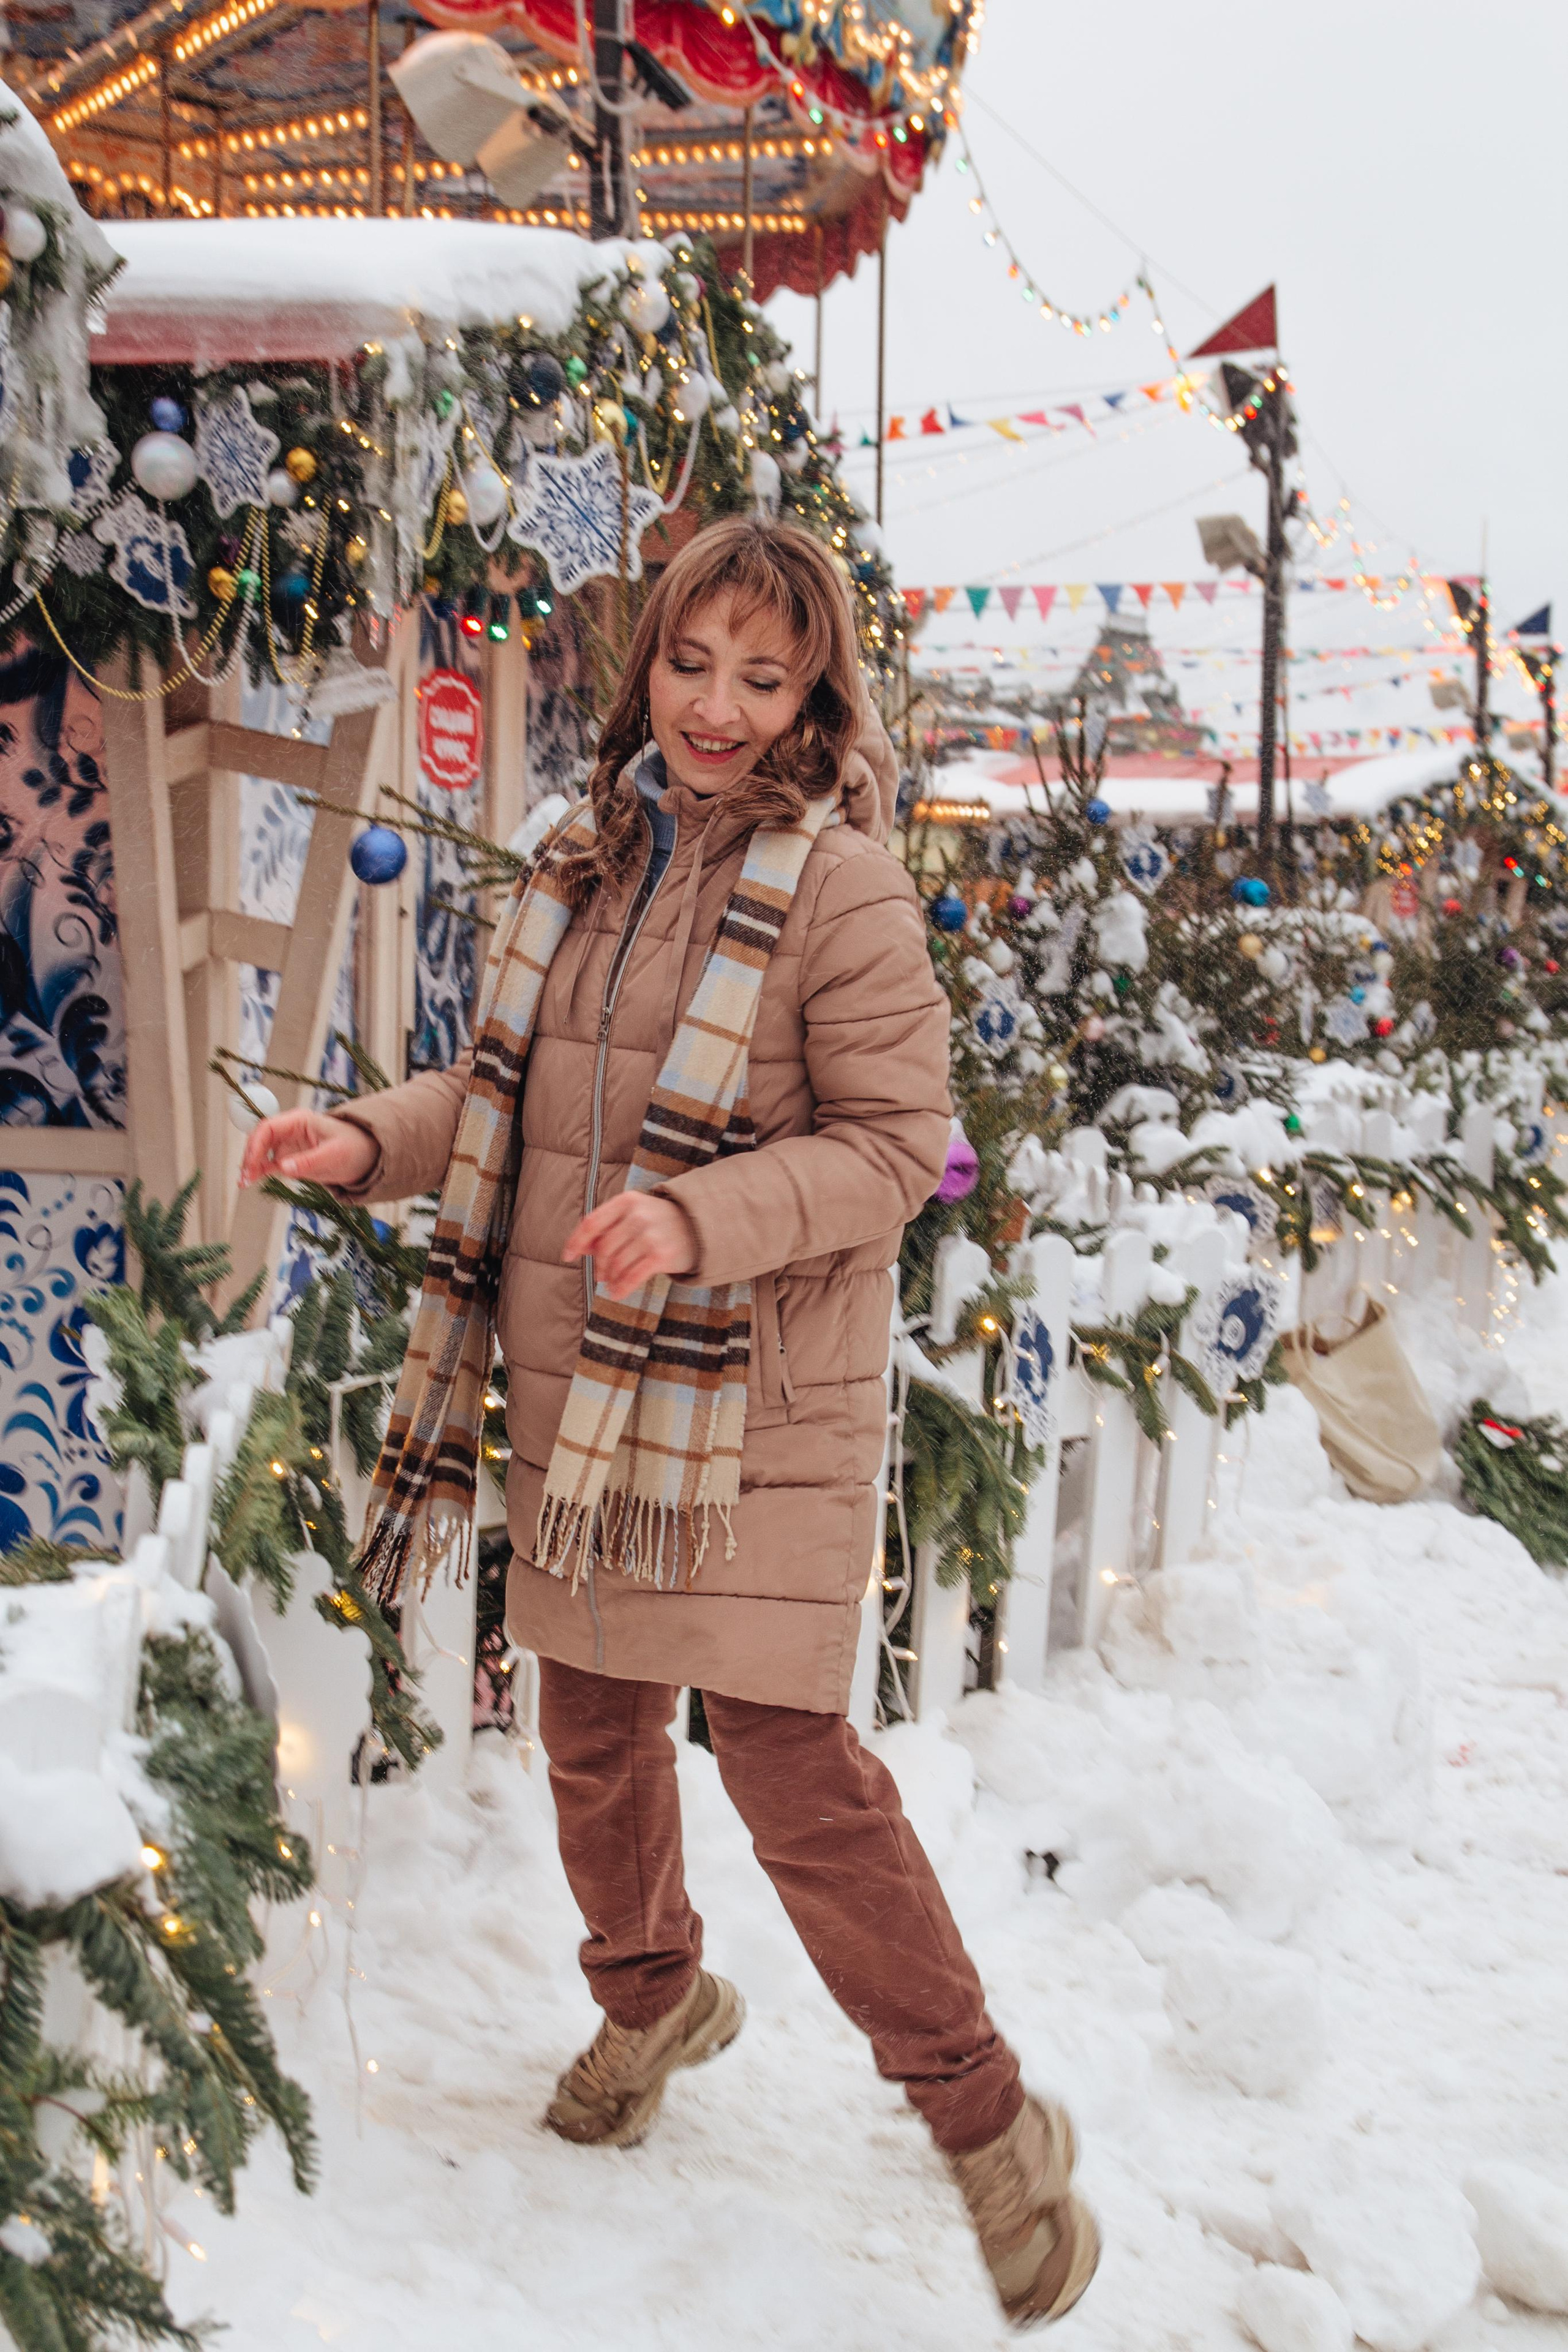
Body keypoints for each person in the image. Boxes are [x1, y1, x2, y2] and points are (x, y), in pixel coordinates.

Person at [239, 518, 1098, 2329]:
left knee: (794, 1773)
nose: (717, 706)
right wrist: (362, 1140)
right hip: (585, 1385)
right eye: (692, 664)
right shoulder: (592, 854)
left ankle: (987, 2123)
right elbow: (512, 1096)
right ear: (650, 665)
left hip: (751, 1403)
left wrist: (703, 1219)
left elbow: (895, 1151)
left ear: (816, 695)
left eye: (762, 677)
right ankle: (651, 2001)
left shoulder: (844, 889)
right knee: (592, 1733)